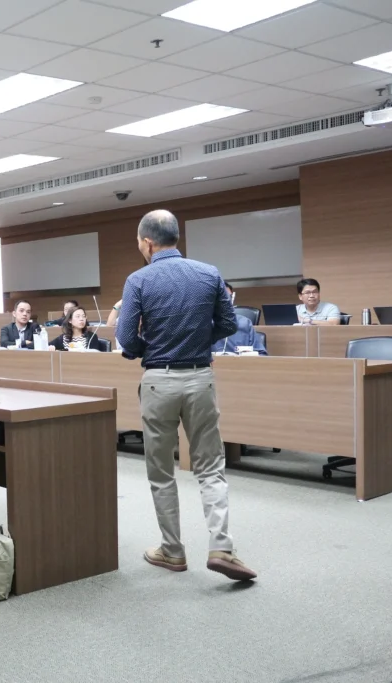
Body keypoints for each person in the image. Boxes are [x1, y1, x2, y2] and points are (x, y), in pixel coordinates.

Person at [117, 209, 256, 582]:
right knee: (210, 467)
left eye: (139, 243)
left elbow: (126, 338)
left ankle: (173, 551)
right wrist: (195, 340)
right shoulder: (208, 273)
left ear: (148, 242)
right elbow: (229, 323)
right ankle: (222, 546)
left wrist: (149, 347)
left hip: (158, 381)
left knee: (161, 471)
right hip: (200, 378)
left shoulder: (138, 280)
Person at [214, 284, 267, 356]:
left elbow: (261, 354)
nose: (225, 301)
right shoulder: (203, 323)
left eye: (229, 297)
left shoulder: (244, 323)